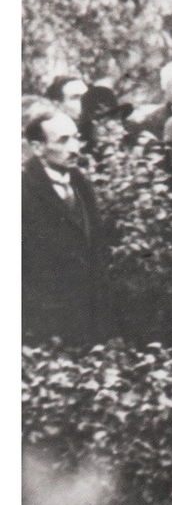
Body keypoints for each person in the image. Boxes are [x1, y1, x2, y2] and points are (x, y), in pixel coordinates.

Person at [22, 108, 109, 347]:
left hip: (88, 318)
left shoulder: (80, 184)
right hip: (45, 324)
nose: (74, 148)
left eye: (76, 138)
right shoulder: (21, 190)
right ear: (38, 147)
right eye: (63, 140)